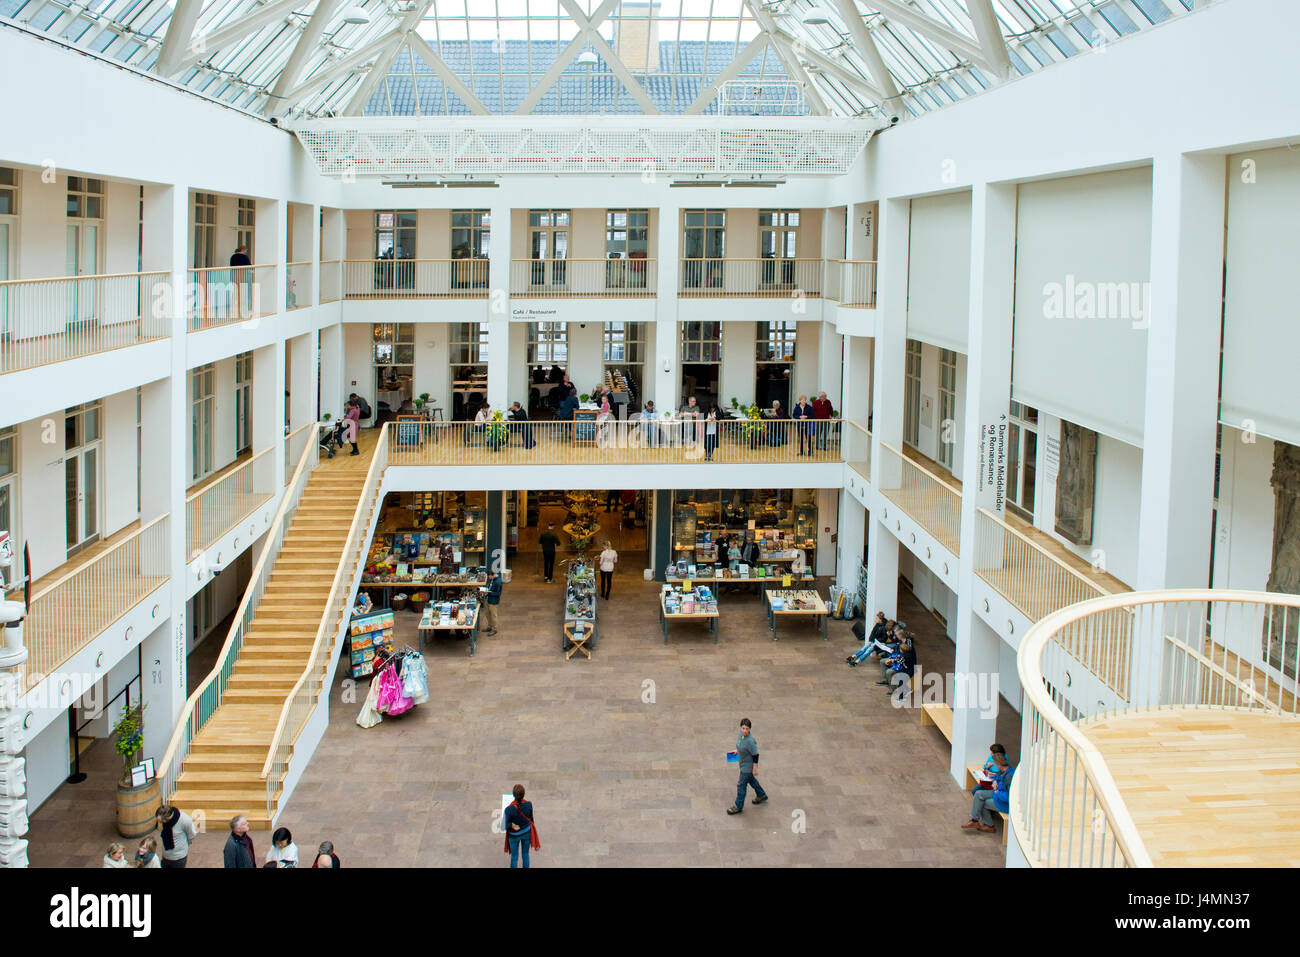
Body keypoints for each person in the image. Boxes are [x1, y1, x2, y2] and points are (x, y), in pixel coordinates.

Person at [964, 753, 1014, 833]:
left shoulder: (1009, 778)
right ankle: (974, 820)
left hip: (1003, 802)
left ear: (999, 764)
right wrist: (994, 781)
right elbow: (998, 777)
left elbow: (1009, 797)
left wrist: (997, 791)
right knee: (978, 793)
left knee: (982, 802)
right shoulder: (1005, 770)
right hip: (997, 794)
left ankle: (989, 825)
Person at [727, 717, 768, 814]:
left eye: (747, 729)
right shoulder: (741, 735)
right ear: (740, 728)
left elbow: (755, 755)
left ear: (750, 729)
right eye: (743, 728)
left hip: (747, 766)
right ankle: (761, 795)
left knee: (741, 785)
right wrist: (737, 750)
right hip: (742, 763)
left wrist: (755, 768)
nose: (745, 731)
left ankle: (738, 806)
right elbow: (741, 744)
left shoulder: (750, 741)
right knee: (751, 780)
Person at [503, 784, 540, 869]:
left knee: (514, 857)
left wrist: (511, 825)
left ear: (513, 795)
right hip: (526, 832)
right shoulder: (529, 804)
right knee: (525, 854)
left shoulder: (508, 809)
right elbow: (531, 819)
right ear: (524, 794)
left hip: (514, 835)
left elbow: (505, 826)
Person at [155, 803, 197, 869]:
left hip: (178, 859)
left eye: (161, 821)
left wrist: (183, 845)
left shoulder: (185, 820)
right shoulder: (166, 822)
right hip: (165, 857)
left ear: (167, 818)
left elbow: (192, 835)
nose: (160, 823)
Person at [878, 634, 917, 698]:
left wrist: (892, 661)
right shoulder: (901, 644)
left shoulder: (907, 651)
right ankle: (887, 681)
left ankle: (896, 691)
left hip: (905, 669)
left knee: (889, 672)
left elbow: (900, 662)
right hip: (901, 665)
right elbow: (898, 658)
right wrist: (892, 660)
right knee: (884, 662)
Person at [481, 568, 502, 635]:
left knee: (493, 615)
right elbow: (489, 585)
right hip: (488, 599)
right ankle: (490, 626)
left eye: (490, 576)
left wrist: (489, 593)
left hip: (493, 601)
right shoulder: (491, 579)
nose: (489, 578)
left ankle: (494, 628)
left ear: (493, 575)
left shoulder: (498, 582)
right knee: (487, 613)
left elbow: (498, 593)